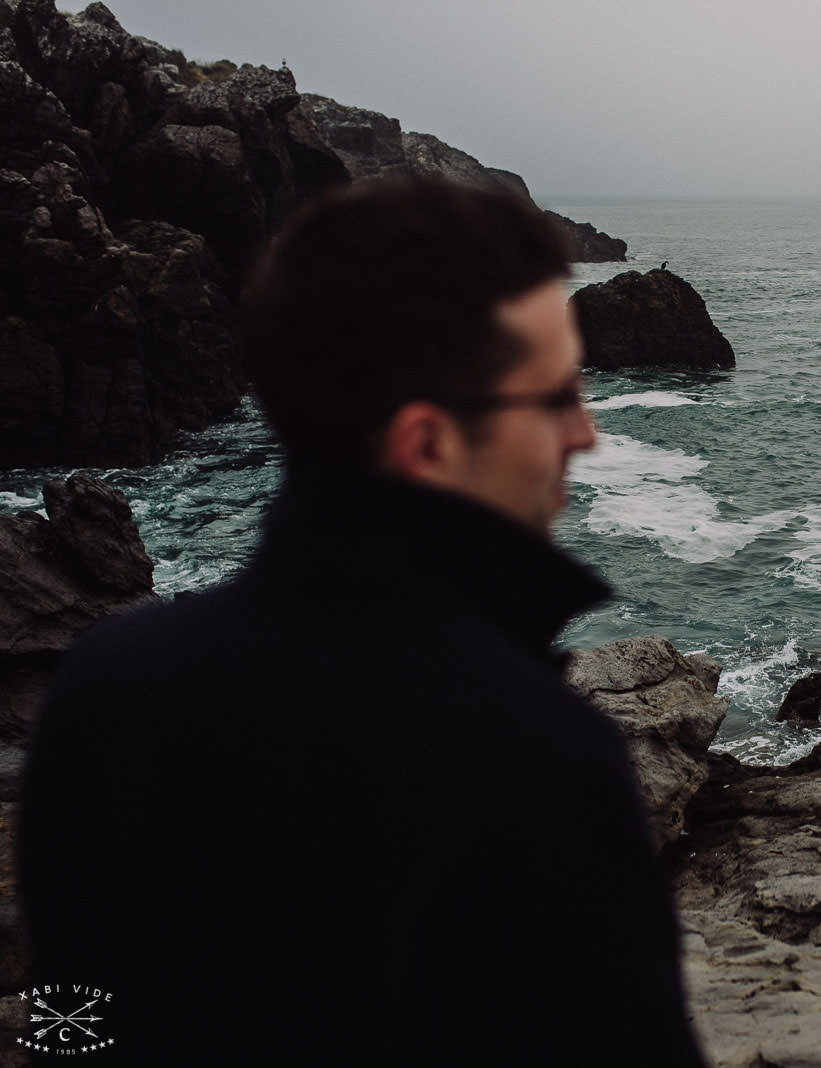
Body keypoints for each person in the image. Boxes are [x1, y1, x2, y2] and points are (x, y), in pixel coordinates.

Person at [20, 177, 708, 1065]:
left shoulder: (106, 691)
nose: (585, 433)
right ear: (428, 444)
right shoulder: (538, 760)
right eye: (554, 397)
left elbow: (72, 1027)